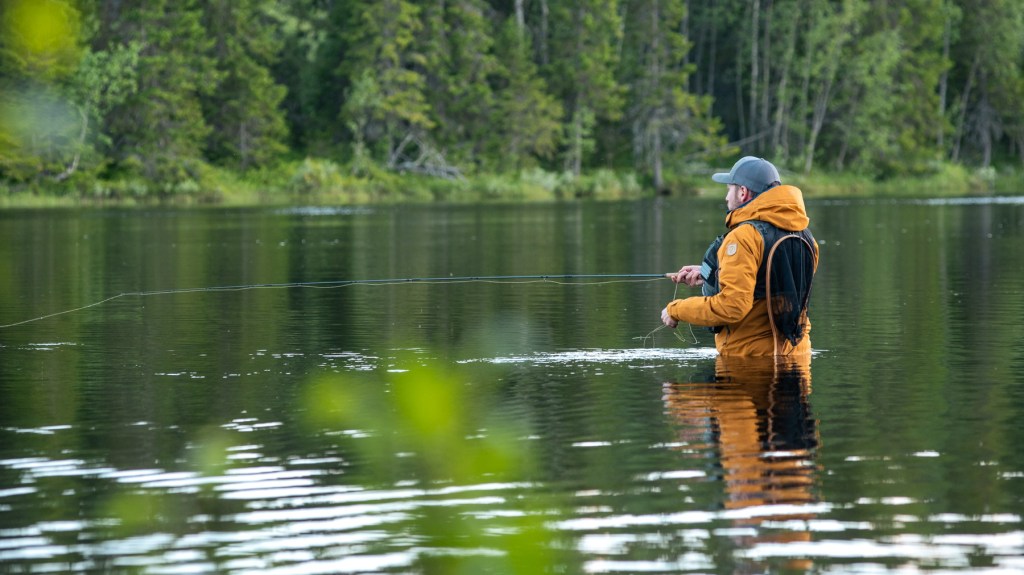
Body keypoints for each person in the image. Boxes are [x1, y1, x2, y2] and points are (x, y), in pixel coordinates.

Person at [661, 156, 818, 356]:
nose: (726, 197)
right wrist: (716, 273)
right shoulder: (806, 236)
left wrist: (676, 310)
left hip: (749, 359)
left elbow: (732, 306)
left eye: (729, 189)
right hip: (798, 356)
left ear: (743, 192)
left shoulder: (744, 237)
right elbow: (772, 282)